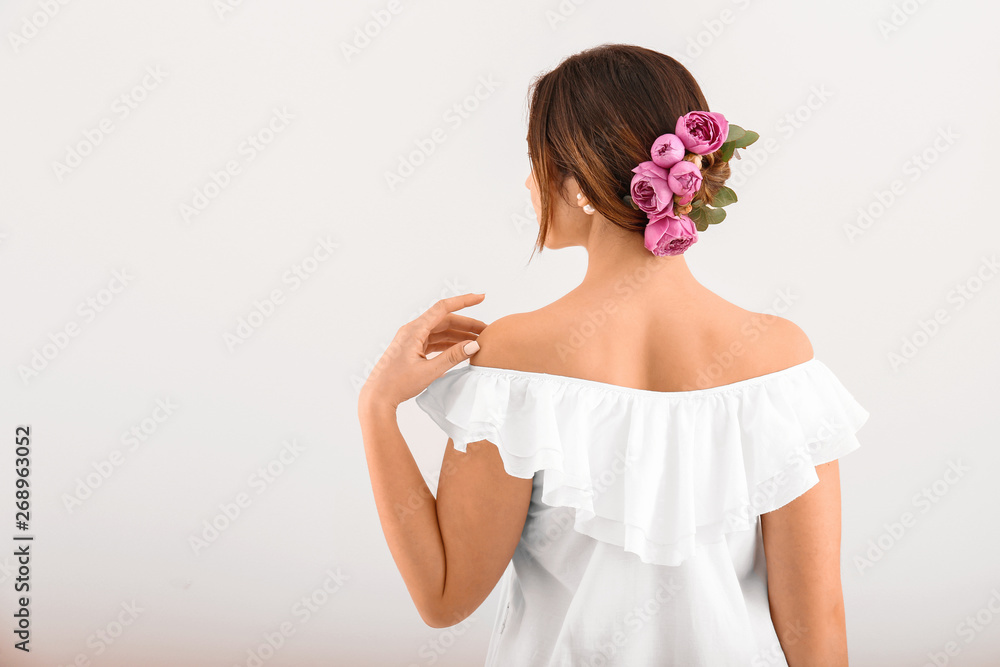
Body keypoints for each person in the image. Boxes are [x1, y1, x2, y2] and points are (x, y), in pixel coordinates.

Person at [358, 43, 870, 666]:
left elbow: (444, 600)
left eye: (535, 161)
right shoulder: (779, 359)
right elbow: (816, 623)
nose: (527, 183)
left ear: (578, 182)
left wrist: (378, 406)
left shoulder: (515, 358)